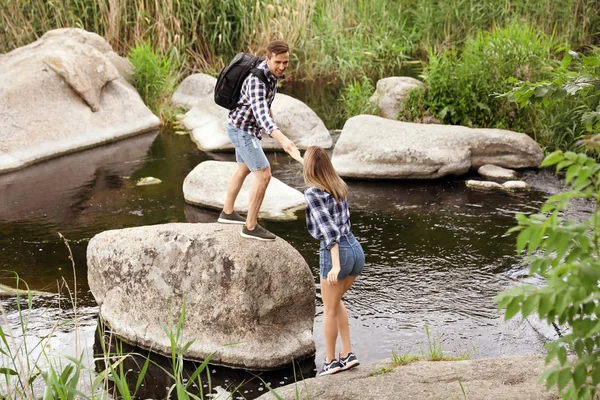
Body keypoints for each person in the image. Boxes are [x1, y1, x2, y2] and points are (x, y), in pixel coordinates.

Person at [218, 40, 299, 241]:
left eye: (286, 62)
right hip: (242, 130)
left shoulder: (272, 75)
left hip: (243, 127)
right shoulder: (256, 80)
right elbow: (261, 116)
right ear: (268, 58)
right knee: (264, 175)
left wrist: (272, 118)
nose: (282, 67)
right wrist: (284, 141)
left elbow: (265, 104)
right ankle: (251, 226)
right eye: (278, 62)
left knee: (243, 169)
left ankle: (227, 213)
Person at [300, 146, 365, 376]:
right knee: (336, 302)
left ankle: (330, 361)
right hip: (356, 250)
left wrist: (335, 265)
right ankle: (347, 354)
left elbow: (329, 233)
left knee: (328, 309)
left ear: (308, 168)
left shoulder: (313, 194)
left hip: (337, 253)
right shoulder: (337, 185)